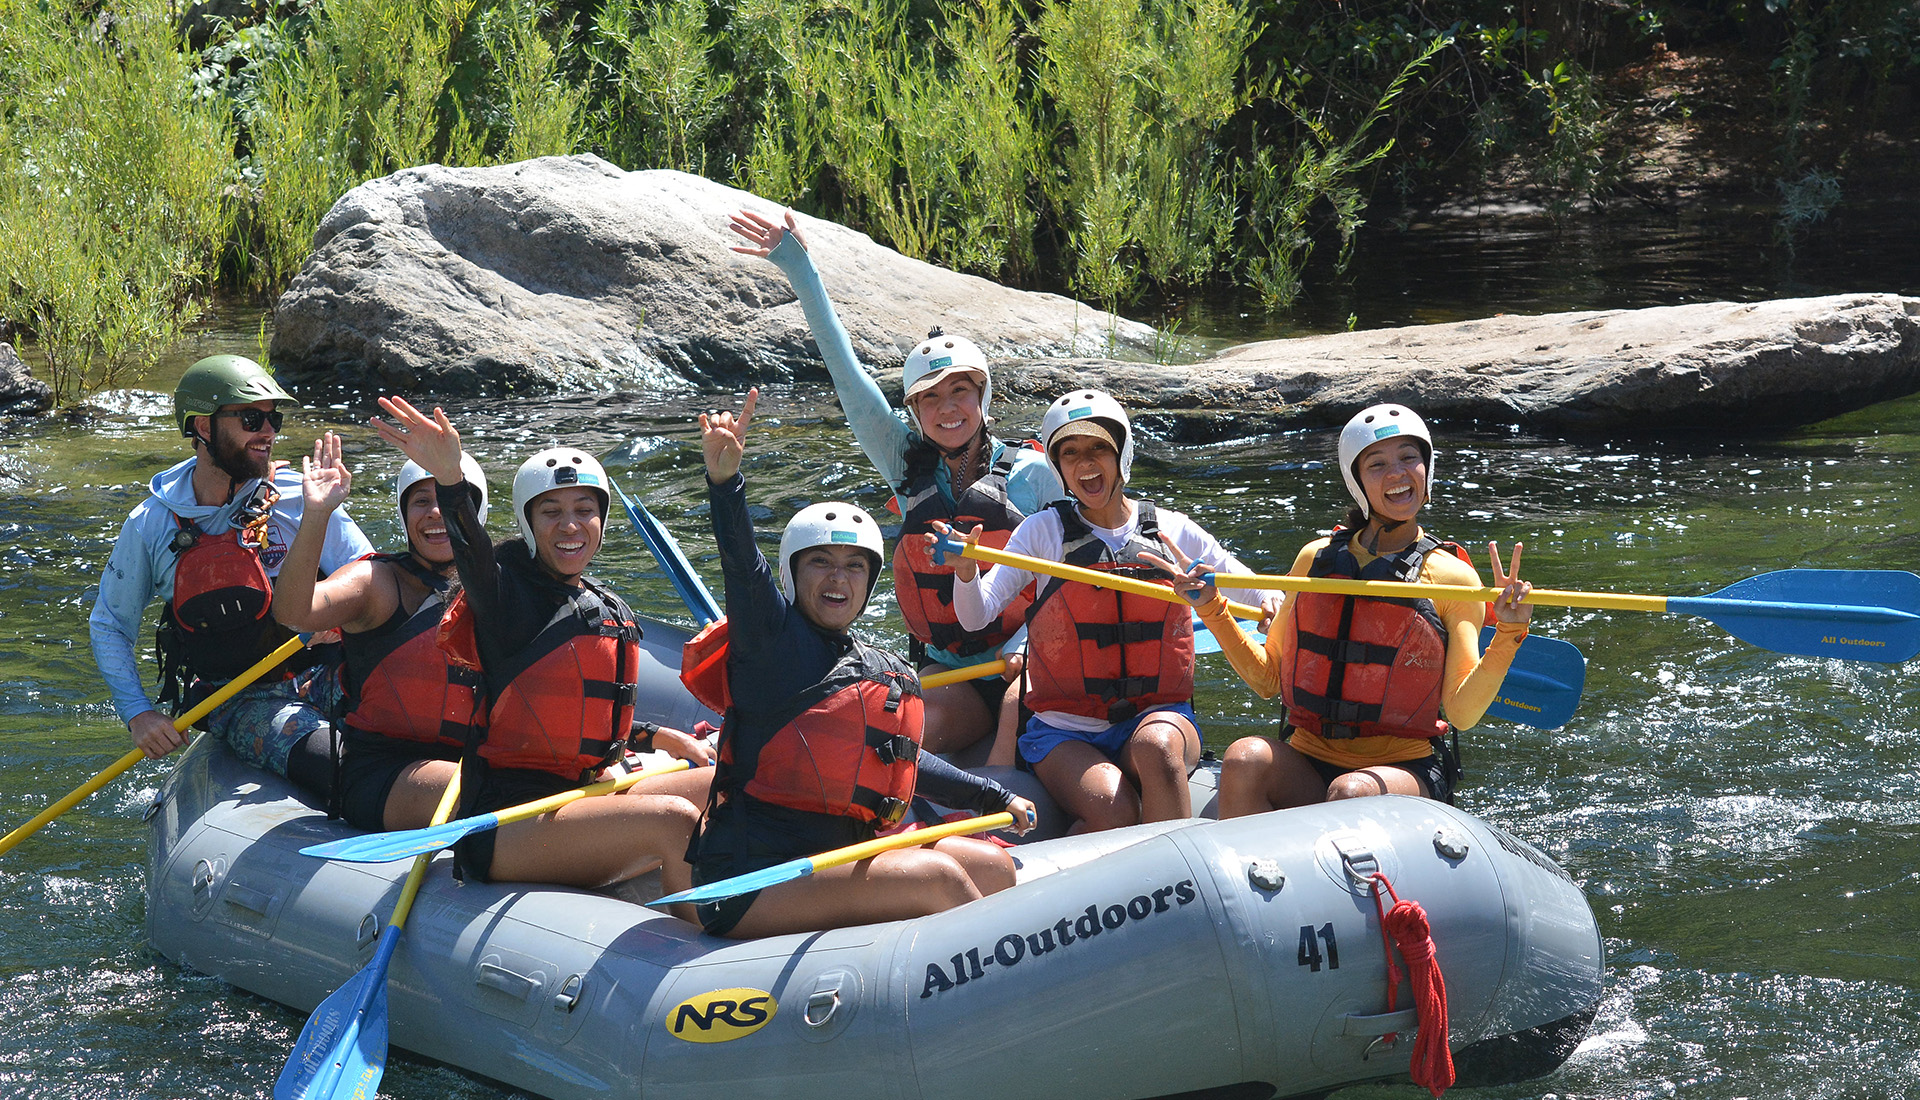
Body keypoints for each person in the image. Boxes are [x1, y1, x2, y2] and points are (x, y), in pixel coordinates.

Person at [685, 387, 1035, 939]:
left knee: (990, 865)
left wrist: (992, 794)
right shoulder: (770, 643)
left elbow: (902, 758)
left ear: (870, 582)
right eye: (820, 563)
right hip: (752, 880)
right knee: (939, 878)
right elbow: (740, 564)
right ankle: (1012, 999)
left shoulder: (876, 666)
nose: (837, 578)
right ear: (792, 575)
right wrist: (726, 484)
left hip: (833, 859)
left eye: (853, 566)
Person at [729, 209, 1064, 760]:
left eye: (960, 392)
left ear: (983, 397)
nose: (947, 409)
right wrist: (800, 268)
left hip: (1025, 663)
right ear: (911, 410)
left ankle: (1000, 806)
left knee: (1009, 711)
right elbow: (846, 373)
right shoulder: (904, 461)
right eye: (929, 397)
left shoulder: (1033, 475)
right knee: (895, 741)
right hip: (946, 670)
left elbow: (1074, 574)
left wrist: (1029, 647)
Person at [372, 396, 703, 895]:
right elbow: (474, 556)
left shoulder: (602, 605)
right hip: (507, 824)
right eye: (551, 512)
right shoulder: (506, 597)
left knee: (724, 785)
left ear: (602, 521)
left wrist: (658, 737)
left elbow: (578, 713)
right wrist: (450, 482)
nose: (570, 525)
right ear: (528, 524)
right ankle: (705, 945)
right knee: (676, 820)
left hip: (581, 796)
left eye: (584, 510)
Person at [1153, 404, 1533, 817]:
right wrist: (1211, 607)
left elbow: (1462, 712)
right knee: (1244, 758)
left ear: (1427, 468)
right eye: (1377, 464)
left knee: (1349, 791)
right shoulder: (1314, 560)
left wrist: (1509, 636)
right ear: (1357, 482)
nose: (1397, 473)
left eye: (1409, 457)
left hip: (1405, 766)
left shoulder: (1453, 577)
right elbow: (1267, 679)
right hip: (1309, 758)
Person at [944, 389, 1272, 832]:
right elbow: (976, 615)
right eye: (1071, 452)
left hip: (1158, 718)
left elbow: (1249, 586)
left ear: (1122, 454)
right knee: (1113, 809)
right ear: (1058, 466)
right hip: (1063, 729)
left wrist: (1272, 603)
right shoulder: (1042, 532)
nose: (1086, 463)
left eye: (1099, 447)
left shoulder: (1170, 530)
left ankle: (1176, 879)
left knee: (1157, 747)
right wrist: (966, 572)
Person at [88, 355, 373, 791]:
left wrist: (339, 611)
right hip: (238, 699)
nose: (269, 432)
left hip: (327, 673)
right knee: (340, 764)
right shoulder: (151, 524)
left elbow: (369, 572)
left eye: (274, 418)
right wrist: (139, 713)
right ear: (203, 428)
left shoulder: (305, 497)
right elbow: (110, 624)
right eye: (251, 418)